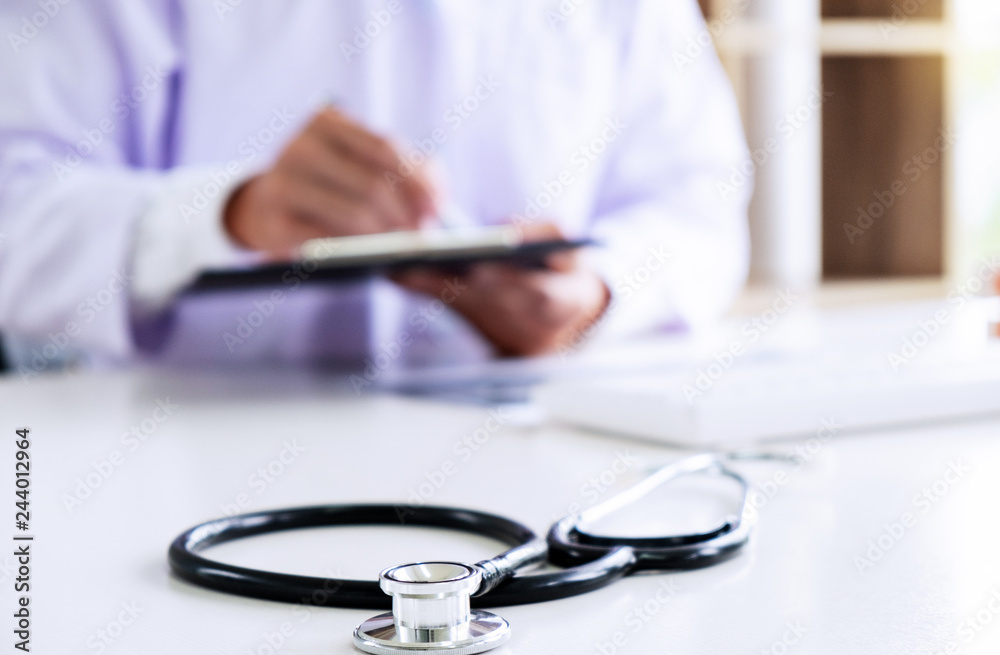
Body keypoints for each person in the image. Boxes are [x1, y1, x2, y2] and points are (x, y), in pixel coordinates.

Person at [0, 0, 750, 378]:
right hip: (177, 467)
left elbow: (700, 207)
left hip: (535, 460)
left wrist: (595, 295)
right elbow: (15, 208)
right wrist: (230, 214)